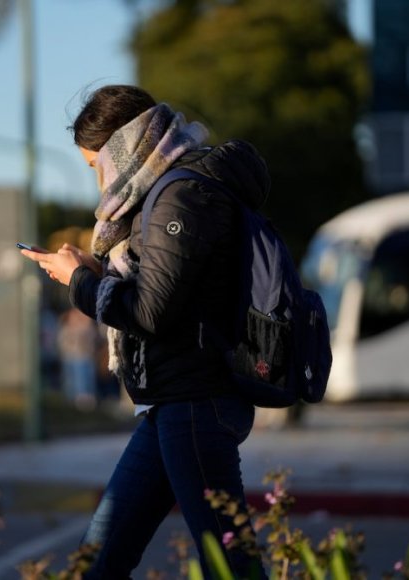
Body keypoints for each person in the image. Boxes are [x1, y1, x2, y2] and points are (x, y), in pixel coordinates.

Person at [21, 84, 268, 579]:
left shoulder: (181, 194)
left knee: (230, 568)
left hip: (196, 402)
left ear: (121, 149)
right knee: (100, 562)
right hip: (171, 403)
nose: (96, 182)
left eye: (95, 166)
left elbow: (151, 312)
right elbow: (166, 292)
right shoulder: (166, 191)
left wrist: (80, 282)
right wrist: (97, 271)